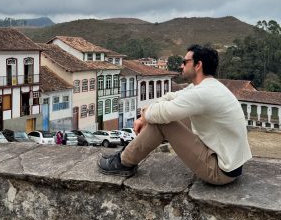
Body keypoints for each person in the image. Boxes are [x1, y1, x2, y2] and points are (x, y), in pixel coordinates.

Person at [98, 44, 252, 185]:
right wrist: (146, 114)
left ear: (198, 65)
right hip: (230, 164)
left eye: (185, 62)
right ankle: (127, 155)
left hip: (220, 171)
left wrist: (144, 116)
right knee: (164, 115)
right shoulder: (207, 87)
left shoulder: (203, 93)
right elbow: (171, 96)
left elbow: (162, 113)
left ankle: (124, 161)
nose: (181, 65)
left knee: (162, 122)